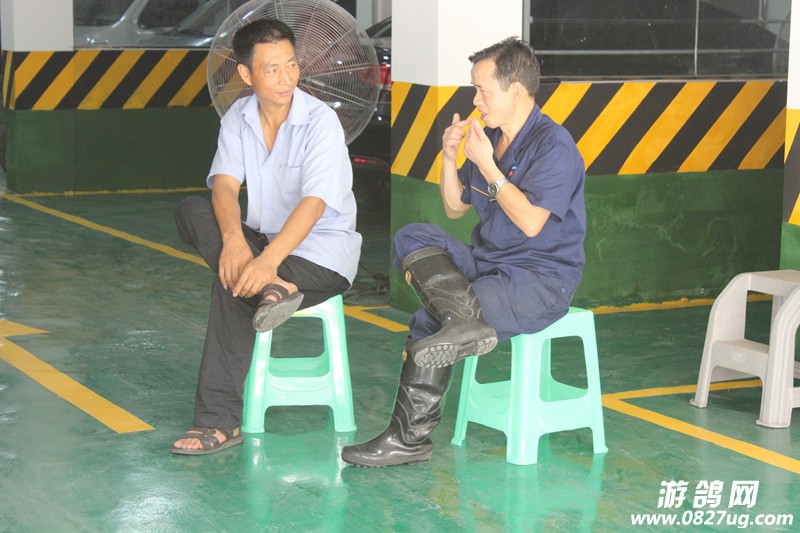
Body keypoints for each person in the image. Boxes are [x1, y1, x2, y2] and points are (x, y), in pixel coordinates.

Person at [341, 37, 586, 467]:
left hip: (540, 279)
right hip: (488, 263)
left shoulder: (553, 145)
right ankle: (462, 323)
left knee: (429, 320)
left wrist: (488, 165)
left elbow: (532, 223)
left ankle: (408, 438)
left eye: (482, 90)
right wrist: (450, 156)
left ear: (515, 91)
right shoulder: (488, 137)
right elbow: (455, 207)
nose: (476, 101)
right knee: (413, 235)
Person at [171, 18, 361, 455]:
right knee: (191, 211)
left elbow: (314, 204)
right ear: (246, 74)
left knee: (231, 288)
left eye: (291, 65)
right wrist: (234, 241)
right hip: (259, 245)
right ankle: (272, 290)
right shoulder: (237, 118)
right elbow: (224, 185)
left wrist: (267, 261)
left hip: (321, 255)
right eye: (272, 69)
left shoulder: (321, 122)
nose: (286, 78)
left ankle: (217, 422)